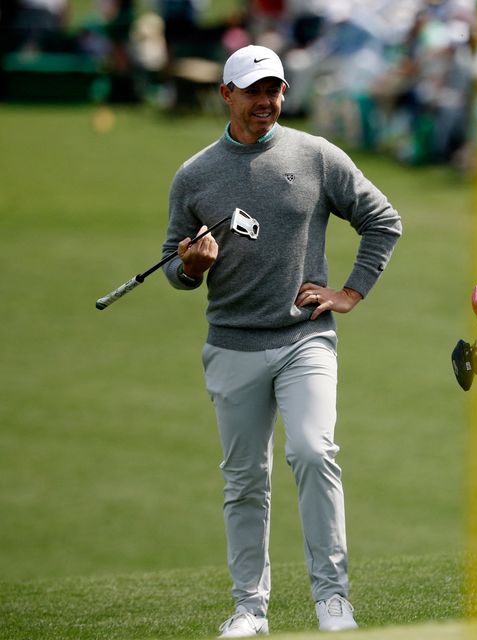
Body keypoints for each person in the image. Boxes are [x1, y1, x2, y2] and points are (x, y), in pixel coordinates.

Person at [161, 44, 402, 637]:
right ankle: (250, 608)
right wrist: (191, 267)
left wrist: (351, 292)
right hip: (232, 342)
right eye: (254, 91)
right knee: (244, 480)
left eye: (275, 90)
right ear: (227, 95)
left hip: (304, 338)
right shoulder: (195, 175)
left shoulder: (315, 155)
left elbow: (382, 219)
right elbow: (172, 263)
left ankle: (333, 599)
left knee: (315, 453)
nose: (266, 101)